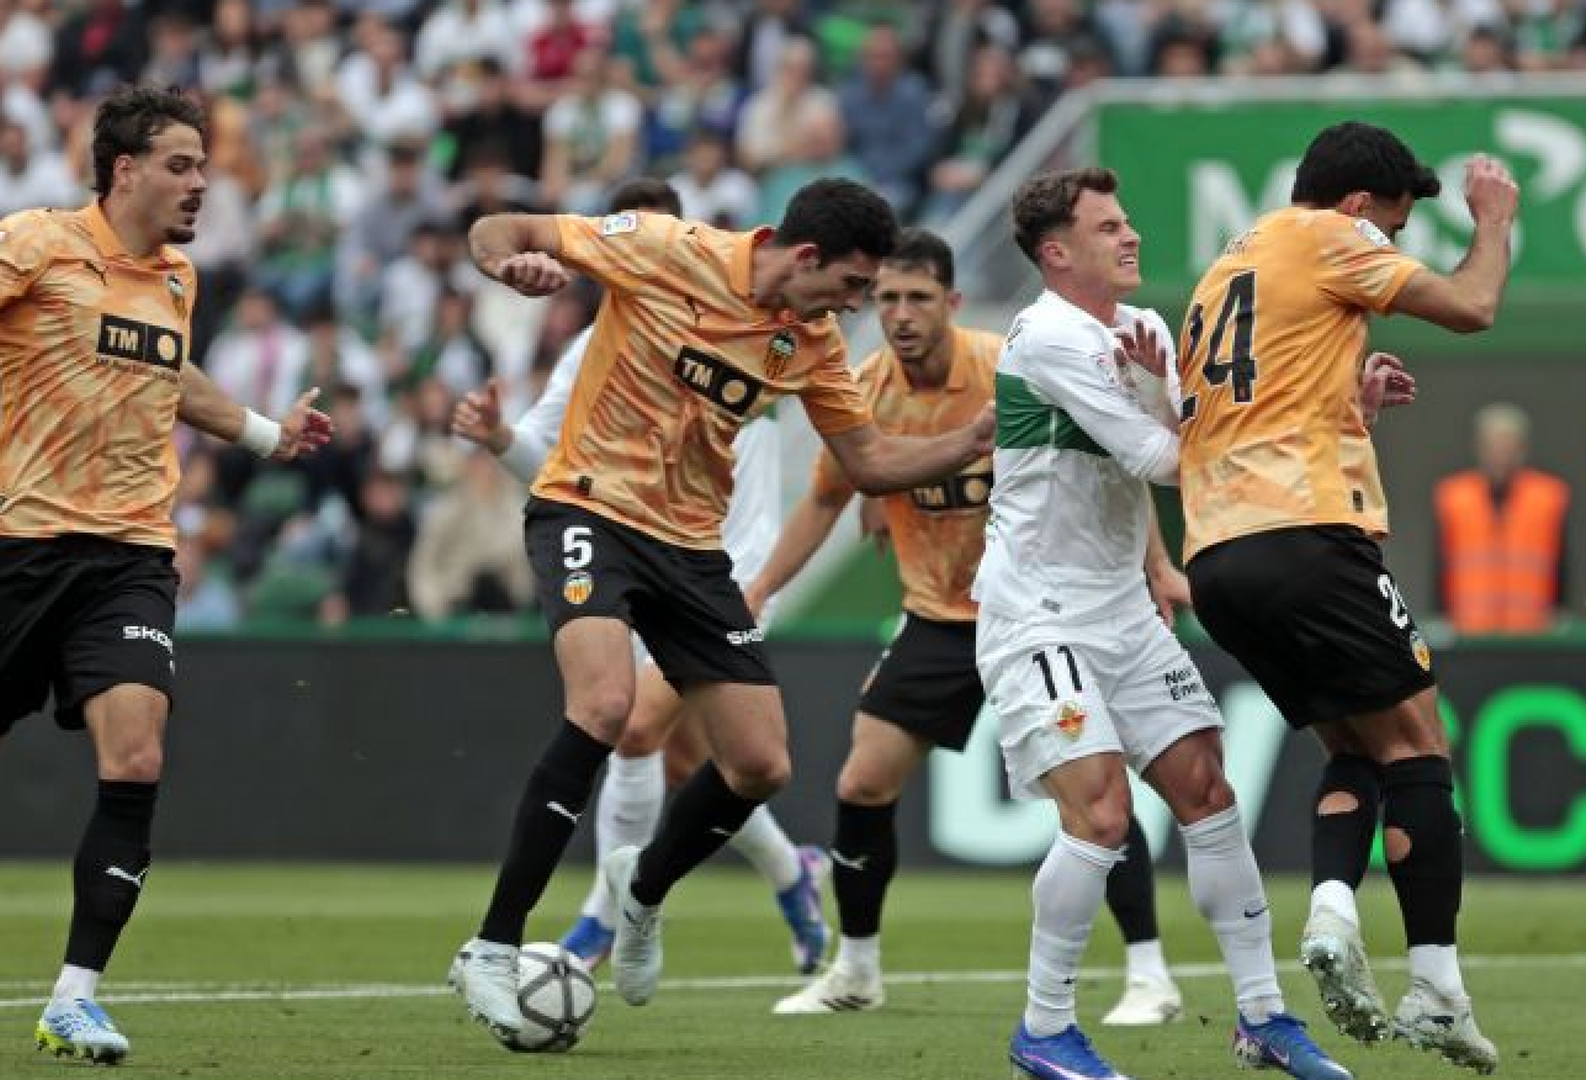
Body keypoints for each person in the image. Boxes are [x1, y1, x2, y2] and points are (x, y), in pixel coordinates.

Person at [0, 86, 331, 1064]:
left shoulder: (176, 279)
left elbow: (170, 374)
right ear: (126, 171)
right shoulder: (36, 243)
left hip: (128, 557)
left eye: (203, 165)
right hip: (9, 555)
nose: (201, 183)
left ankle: (74, 995)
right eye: (181, 164)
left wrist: (260, 430)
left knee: (137, 756)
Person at [446, 177, 995, 1046]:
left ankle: (644, 889)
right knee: (605, 706)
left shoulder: (809, 342)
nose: (856, 310)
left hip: (693, 551)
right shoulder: (668, 249)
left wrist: (968, 441)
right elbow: (498, 222)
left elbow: (870, 460)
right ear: (805, 256)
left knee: (760, 765)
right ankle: (492, 944)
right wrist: (508, 265)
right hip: (590, 505)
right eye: (853, 288)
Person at [746, 227, 1182, 1025]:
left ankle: (1150, 974)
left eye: (918, 298)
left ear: (951, 302)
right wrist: (762, 587)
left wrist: (1155, 565)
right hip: (939, 618)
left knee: (1093, 794)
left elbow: (1108, 461)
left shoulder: (1007, 365)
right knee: (861, 782)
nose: (901, 314)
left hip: (1039, 611)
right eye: (886, 299)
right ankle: (857, 969)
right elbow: (823, 498)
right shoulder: (864, 391)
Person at [978, 167, 1350, 1080]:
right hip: (1038, 611)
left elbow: (1209, 422)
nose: (1131, 235)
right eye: (1109, 226)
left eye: (1128, 219)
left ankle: (1262, 1017)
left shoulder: (1142, 330)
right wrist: (1291, 430)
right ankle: (1045, 1029)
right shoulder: (1048, 337)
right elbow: (1165, 455)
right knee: (1101, 813)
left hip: (1121, 607)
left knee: (1207, 795)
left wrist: (1337, 407)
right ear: (1057, 252)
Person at [1175, 121, 1518, 1073]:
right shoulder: (1333, 235)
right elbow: (1474, 306)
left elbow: (1257, 404)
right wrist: (1494, 223)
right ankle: (1440, 985)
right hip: (1308, 539)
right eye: (1397, 228)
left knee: (1355, 744)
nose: (1395, 250)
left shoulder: (1228, 265)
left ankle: (1331, 913)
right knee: (1418, 745)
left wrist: (1349, 403)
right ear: (1360, 207)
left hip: (1218, 557)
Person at [451, 177, 830, 976]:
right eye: (626, 245)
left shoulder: (766, 322)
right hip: (627, 542)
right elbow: (547, 462)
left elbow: (852, 447)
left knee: (641, 730)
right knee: (692, 760)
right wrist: (493, 438)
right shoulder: (590, 352)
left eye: (658, 240)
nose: (646, 259)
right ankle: (785, 874)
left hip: (732, 563)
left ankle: (604, 917)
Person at [1433, 403, 1569, 633]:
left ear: (1523, 450)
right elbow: (1440, 563)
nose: (1500, 455)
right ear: (1479, 448)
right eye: (1493, 446)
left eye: (1508, 447)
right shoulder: (1453, 496)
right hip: (1469, 629)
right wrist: (1441, 617)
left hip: (1532, 630)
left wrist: (1559, 611)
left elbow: (1562, 562)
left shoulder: (1549, 496)